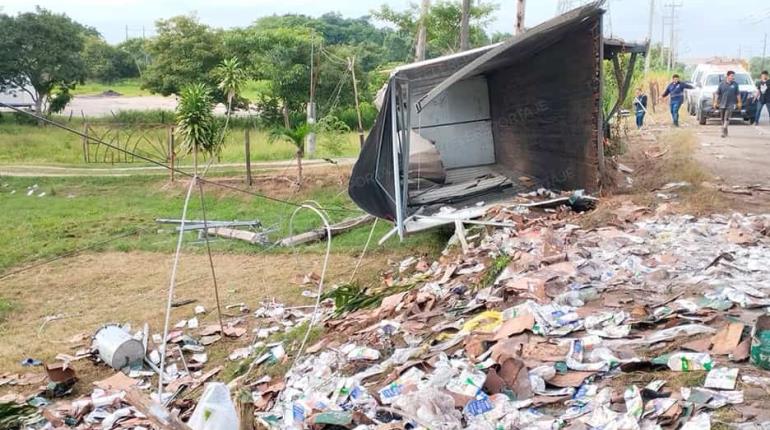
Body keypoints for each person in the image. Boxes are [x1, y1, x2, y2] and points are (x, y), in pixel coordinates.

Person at [714, 70, 741, 138]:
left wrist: (739, 102)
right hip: (722, 104)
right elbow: (717, 93)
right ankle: (725, 130)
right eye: (732, 76)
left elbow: (738, 94)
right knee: (722, 119)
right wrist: (715, 102)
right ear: (727, 76)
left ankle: (723, 131)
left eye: (733, 76)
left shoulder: (735, 84)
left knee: (727, 118)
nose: (733, 78)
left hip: (731, 104)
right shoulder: (721, 84)